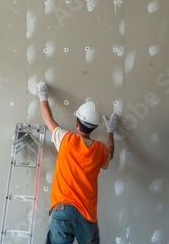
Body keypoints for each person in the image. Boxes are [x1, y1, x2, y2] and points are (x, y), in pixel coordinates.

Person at [36, 81, 118, 244]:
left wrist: (42, 94)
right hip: (86, 215)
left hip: (62, 211)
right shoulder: (99, 150)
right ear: (94, 128)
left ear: (76, 123)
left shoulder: (66, 140)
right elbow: (110, 154)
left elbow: (48, 119)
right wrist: (110, 131)